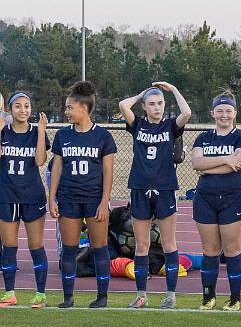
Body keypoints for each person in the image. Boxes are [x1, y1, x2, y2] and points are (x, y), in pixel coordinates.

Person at [118, 82, 192, 309]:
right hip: (140, 188)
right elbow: (123, 105)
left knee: (169, 243)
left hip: (165, 188)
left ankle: (170, 295)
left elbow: (186, 113)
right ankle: (141, 295)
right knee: (141, 245)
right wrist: (142, 93)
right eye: (151, 104)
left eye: (160, 103)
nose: (157, 107)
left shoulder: (170, 126)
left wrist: (174, 89)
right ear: (144, 107)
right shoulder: (137, 124)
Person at [49, 81, 117, 309]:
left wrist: (104, 201)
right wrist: (52, 197)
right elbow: (56, 168)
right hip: (69, 199)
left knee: (99, 248)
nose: (66, 112)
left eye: (70, 108)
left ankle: (102, 297)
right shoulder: (62, 135)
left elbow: (108, 171)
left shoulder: (103, 136)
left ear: (84, 109)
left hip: (94, 199)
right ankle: (68, 298)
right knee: (69, 250)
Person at [191, 91, 241, 311]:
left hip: (233, 197)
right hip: (205, 198)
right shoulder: (203, 137)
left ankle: (234, 299)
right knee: (210, 250)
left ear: (235, 113)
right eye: (220, 111)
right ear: (212, 113)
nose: (224, 115)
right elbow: (196, 163)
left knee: (233, 249)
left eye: (228, 111)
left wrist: (210, 166)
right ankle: (208, 297)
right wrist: (225, 159)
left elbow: (238, 163)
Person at [0, 92, 50, 308]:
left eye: (27, 106)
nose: (23, 110)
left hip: (32, 196)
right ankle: (9, 293)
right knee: (9, 246)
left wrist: (41, 132)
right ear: (10, 110)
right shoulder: (4, 131)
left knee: (36, 245)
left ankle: (40, 294)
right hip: (7, 195)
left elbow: (40, 160)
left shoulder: (36, 132)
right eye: (18, 106)